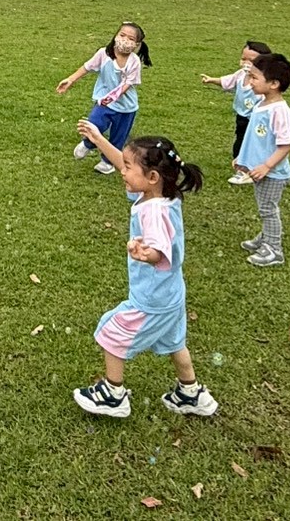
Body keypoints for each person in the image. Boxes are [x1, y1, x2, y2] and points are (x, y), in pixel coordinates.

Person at [71, 121, 217, 419]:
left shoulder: (154, 211)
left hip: (151, 298)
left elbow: (159, 249)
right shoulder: (162, 196)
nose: (122, 172)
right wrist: (99, 140)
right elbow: (125, 163)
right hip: (171, 293)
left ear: (152, 177)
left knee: (112, 332)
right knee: (175, 342)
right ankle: (190, 393)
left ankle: (113, 394)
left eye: (128, 168)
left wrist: (145, 254)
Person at [57, 22, 151, 176]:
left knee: (118, 137)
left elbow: (127, 85)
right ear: (115, 36)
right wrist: (71, 79)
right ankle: (88, 143)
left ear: (137, 44)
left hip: (126, 108)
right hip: (104, 102)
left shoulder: (134, 62)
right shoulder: (103, 54)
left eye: (130, 38)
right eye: (122, 35)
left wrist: (112, 97)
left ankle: (107, 163)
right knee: (95, 123)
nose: (125, 40)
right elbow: (87, 67)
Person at [236, 52, 290, 268]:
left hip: (272, 173)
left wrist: (267, 166)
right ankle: (266, 237)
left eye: (254, 77)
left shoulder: (279, 112)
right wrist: (243, 160)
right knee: (265, 207)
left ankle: (274, 249)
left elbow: (286, 144)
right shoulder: (262, 103)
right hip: (261, 170)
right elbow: (256, 139)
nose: (250, 81)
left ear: (274, 84)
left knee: (268, 209)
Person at [200, 39, 271, 185]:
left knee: (255, 143)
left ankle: (253, 170)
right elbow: (228, 81)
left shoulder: (263, 81)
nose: (246, 63)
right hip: (242, 116)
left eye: (251, 61)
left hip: (257, 120)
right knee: (240, 141)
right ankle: (243, 169)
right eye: (243, 58)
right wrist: (211, 80)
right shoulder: (240, 75)